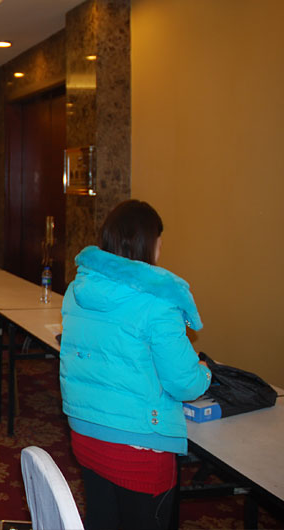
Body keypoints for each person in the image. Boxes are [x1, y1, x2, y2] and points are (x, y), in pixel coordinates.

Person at [59, 199, 212, 530]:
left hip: (85, 435)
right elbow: (184, 383)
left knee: (102, 519)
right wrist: (205, 372)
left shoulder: (76, 290)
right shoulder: (158, 301)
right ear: (148, 243)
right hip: (140, 448)